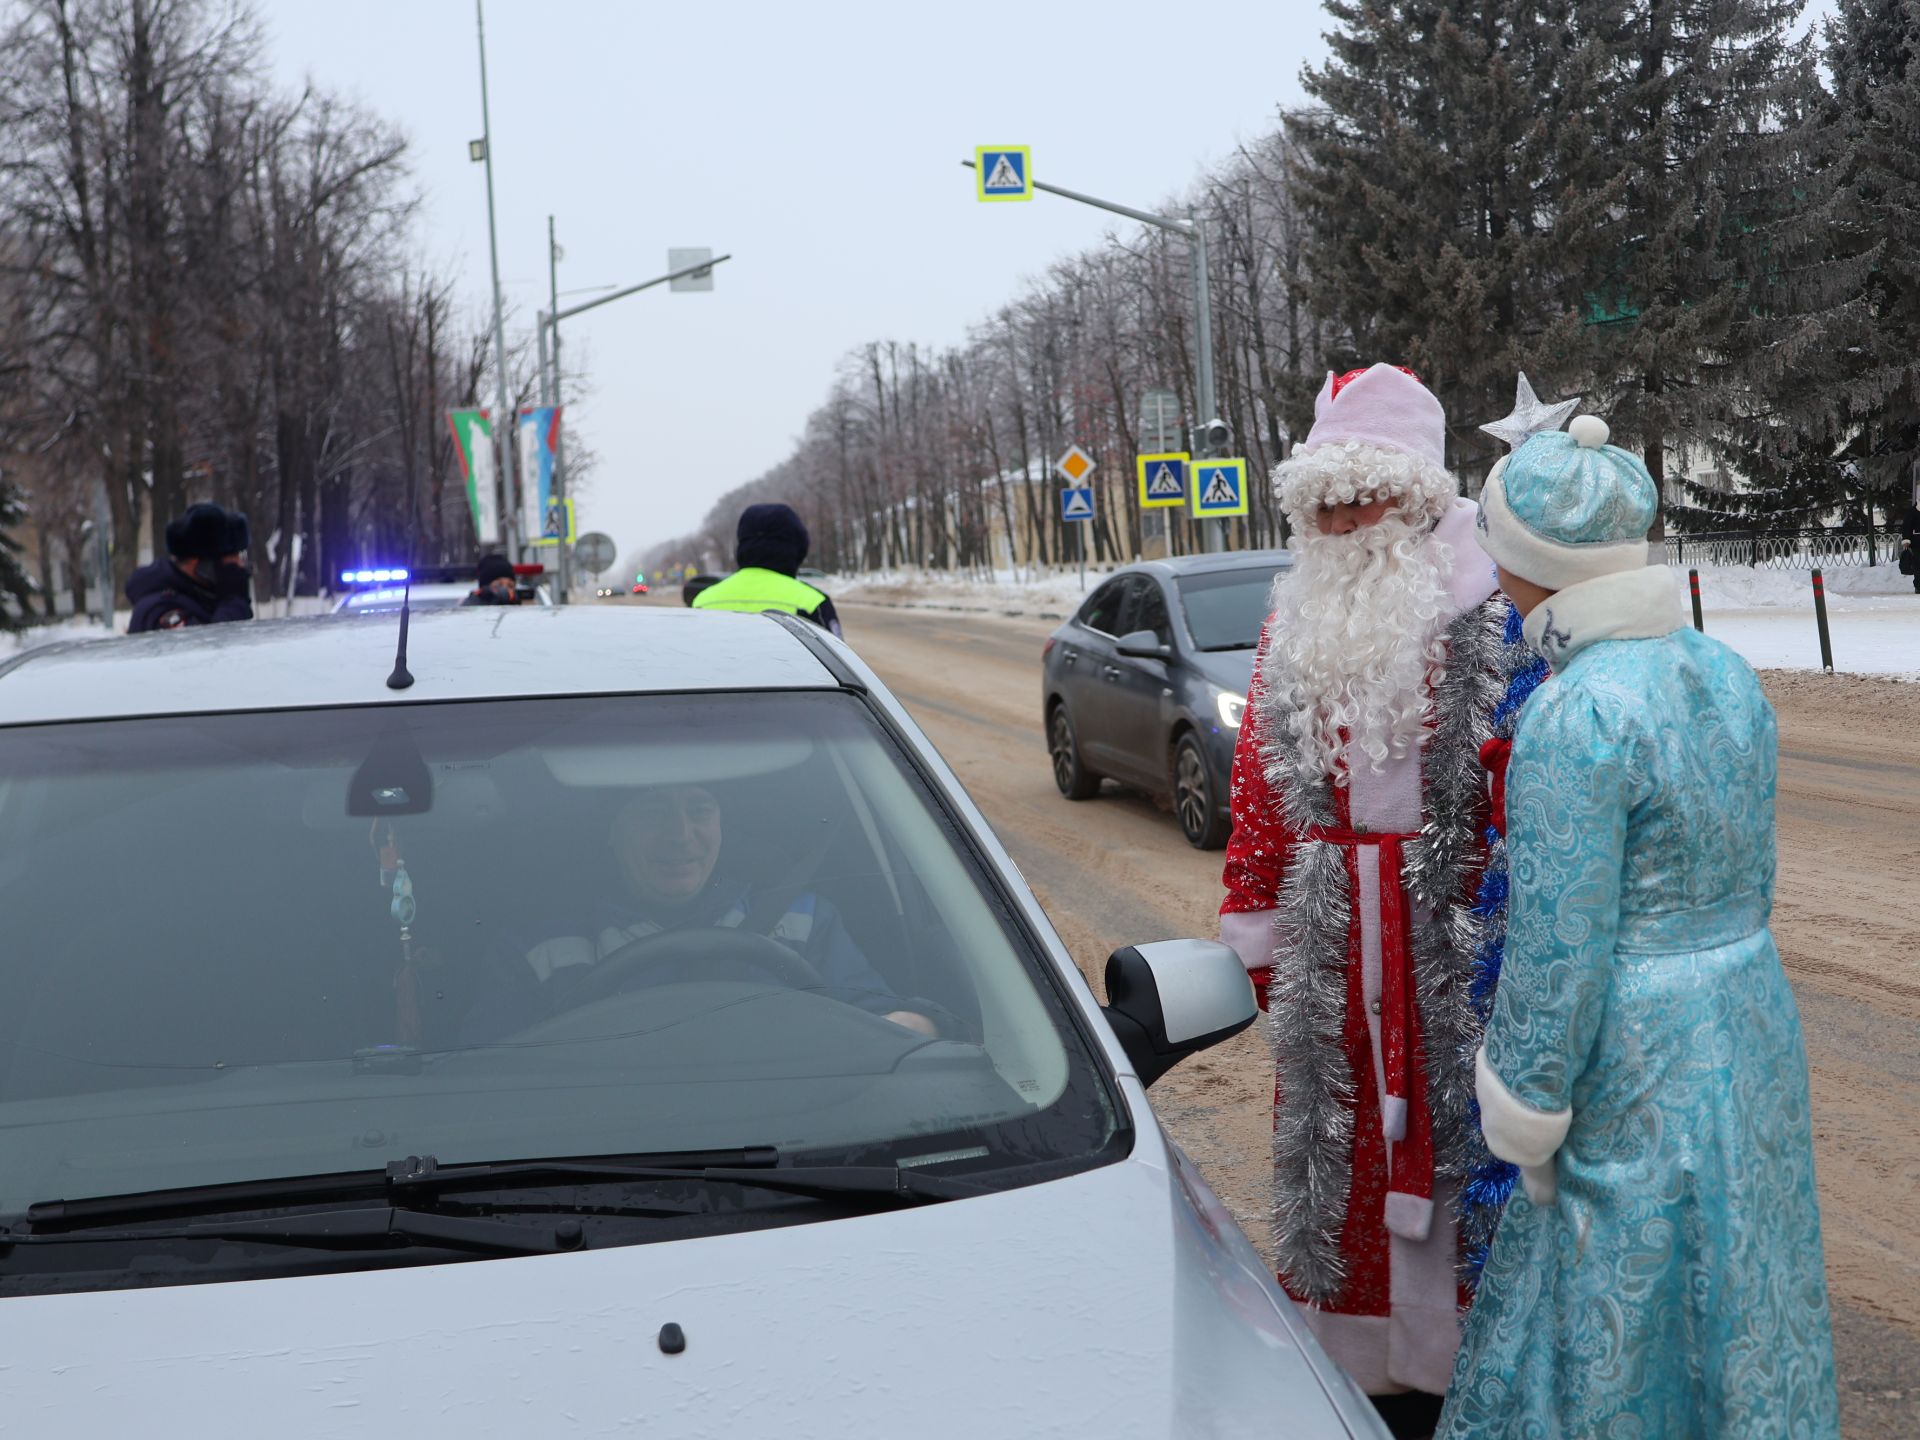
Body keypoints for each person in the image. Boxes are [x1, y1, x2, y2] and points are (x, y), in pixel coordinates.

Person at [1437, 416, 1839, 1438]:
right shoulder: (1724, 672)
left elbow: (1559, 951)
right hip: (1750, 1025)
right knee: (1746, 1283)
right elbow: (1752, 869)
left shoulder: (1575, 716)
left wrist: (1524, 1104)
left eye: (1502, 555)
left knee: (1624, 1305)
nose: (1496, 579)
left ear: (1536, 568)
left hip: (1637, 1058)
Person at [1216, 363, 1526, 1420]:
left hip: (1456, 945)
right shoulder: (1293, 621)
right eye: (1325, 502)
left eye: (1365, 496)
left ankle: (1470, 1377)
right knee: (1338, 1159)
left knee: (1464, 1151)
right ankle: (1364, 1390)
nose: (1345, 520)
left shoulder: (1493, 611)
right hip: (1333, 943)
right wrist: (1260, 939)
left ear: (1422, 494)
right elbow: (1258, 787)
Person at [463, 784, 941, 1041]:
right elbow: (486, 1078)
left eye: (700, 809)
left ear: (721, 824)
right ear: (612, 831)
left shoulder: (803, 921)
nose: (681, 835)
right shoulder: (537, 948)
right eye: (653, 812)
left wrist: (917, 1026)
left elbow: (882, 1026)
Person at [691, 503, 842, 636]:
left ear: (742, 546)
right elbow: (836, 665)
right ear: (797, 547)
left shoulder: (703, 601)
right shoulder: (812, 603)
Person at [125, 503, 253, 633]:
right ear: (196, 562)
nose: (240, 566)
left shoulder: (197, 596)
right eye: (230, 560)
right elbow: (211, 648)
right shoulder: (159, 609)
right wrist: (233, 601)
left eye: (242, 556)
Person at [1899, 495, 1920, 593]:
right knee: (1918, 565)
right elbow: (1906, 527)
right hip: (1917, 543)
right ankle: (1919, 586)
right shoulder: (1912, 512)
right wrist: (1906, 540)